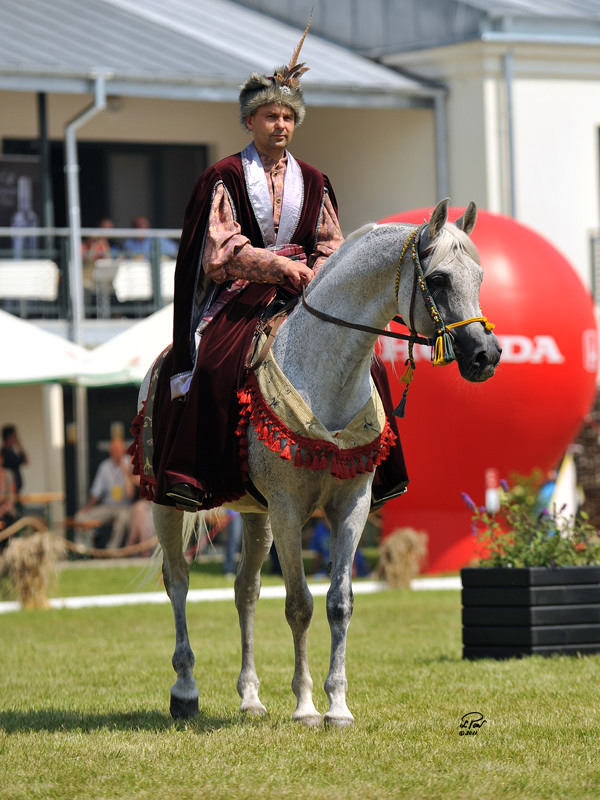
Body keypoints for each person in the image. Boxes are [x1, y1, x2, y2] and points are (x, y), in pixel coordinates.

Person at [133, 23, 408, 513]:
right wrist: (281, 269)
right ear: (249, 121)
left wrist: (320, 275)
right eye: (268, 116)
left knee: (366, 361)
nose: (279, 125)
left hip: (310, 289)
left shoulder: (315, 180)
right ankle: (194, 474)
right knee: (214, 364)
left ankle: (377, 467)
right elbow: (223, 247)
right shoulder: (224, 175)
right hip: (241, 291)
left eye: (287, 117)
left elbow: (331, 243)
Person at [74, 438, 136, 550]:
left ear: (124, 450)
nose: (116, 452)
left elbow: (130, 493)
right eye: (114, 449)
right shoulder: (104, 466)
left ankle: (111, 552)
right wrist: (88, 507)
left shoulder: (130, 463)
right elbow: (96, 491)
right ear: (110, 451)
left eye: (119, 449)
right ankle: (84, 549)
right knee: (80, 516)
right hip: (108, 506)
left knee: (122, 520)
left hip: (125, 507)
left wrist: (126, 473)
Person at [1, 425, 28, 497]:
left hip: (14, 490)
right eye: (15, 436)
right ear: (9, 437)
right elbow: (26, 461)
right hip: (9, 492)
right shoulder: (5, 453)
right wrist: (19, 445)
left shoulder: (12, 452)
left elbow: (26, 461)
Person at [0, 450, 17, 552]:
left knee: (4, 524)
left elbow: (11, 497)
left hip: (6, 513)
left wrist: (4, 509)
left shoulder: (9, 475)